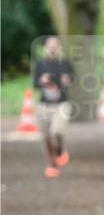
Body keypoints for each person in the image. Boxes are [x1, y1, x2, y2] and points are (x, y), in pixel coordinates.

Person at [32, 36, 75, 179]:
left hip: (61, 104)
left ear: (60, 47)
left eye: (55, 45)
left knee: (56, 132)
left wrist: (67, 80)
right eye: (50, 45)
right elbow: (35, 84)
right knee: (46, 137)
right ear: (45, 48)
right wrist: (41, 80)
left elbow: (73, 79)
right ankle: (52, 165)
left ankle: (61, 148)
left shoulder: (65, 63)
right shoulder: (40, 64)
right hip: (44, 104)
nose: (53, 48)